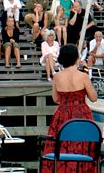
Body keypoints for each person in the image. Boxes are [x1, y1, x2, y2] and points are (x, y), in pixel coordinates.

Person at [41, 44, 98, 173]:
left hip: (62, 114)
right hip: (81, 114)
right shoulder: (83, 76)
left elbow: (55, 99)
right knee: (82, 145)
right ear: (75, 58)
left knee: (61, 145)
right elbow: (93, 98)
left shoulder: (57, 77)